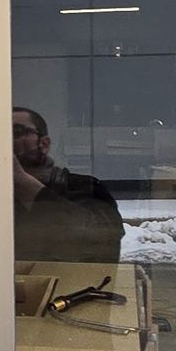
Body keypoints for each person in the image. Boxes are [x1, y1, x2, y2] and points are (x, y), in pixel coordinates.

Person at [12, 105, 124, 264]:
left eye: (16, 132)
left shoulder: (86, 188)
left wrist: (23, 183)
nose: (7, 140)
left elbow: (100, 242)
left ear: (44, 144)